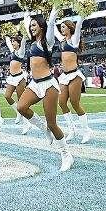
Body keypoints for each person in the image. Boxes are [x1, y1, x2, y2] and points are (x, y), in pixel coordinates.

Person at [16, 9, 73, 172]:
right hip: (34, 83)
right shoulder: (32, 43)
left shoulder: (47, 42)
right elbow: (27, 22)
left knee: (53, 123)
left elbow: (51, 22)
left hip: (48, 85)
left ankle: (66, 154)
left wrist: (54, 9)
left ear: (41, 26)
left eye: (34, 25)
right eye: (31, 26)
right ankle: (43, 129)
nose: (32, 28)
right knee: (21, 107)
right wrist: (26, 11)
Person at [55, 16, 91, 143]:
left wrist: (82, 15)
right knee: (62, 102)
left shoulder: (74, 40)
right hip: (64, 76)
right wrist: (51, 16)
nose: (61, 29)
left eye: (63, 27)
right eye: (61, 27)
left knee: (75, 103)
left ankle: (86, 131)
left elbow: (79, 26)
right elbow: (53, 28)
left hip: (75, 75)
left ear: (70, 28)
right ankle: (72, 130)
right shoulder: (62, 40)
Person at [4, 33, 32, 134]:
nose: (12, 43)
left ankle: (26, 124)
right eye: (12, 42)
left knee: (21, 102)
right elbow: (7, 43)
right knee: (7, 96)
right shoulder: (13, 51)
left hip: (20, 78)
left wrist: (24, 35)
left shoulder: (21, 51)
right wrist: (6, 35)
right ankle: (18, 112)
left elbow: (24, 41)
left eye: (14, 42)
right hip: (12, 78)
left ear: (18, 43)